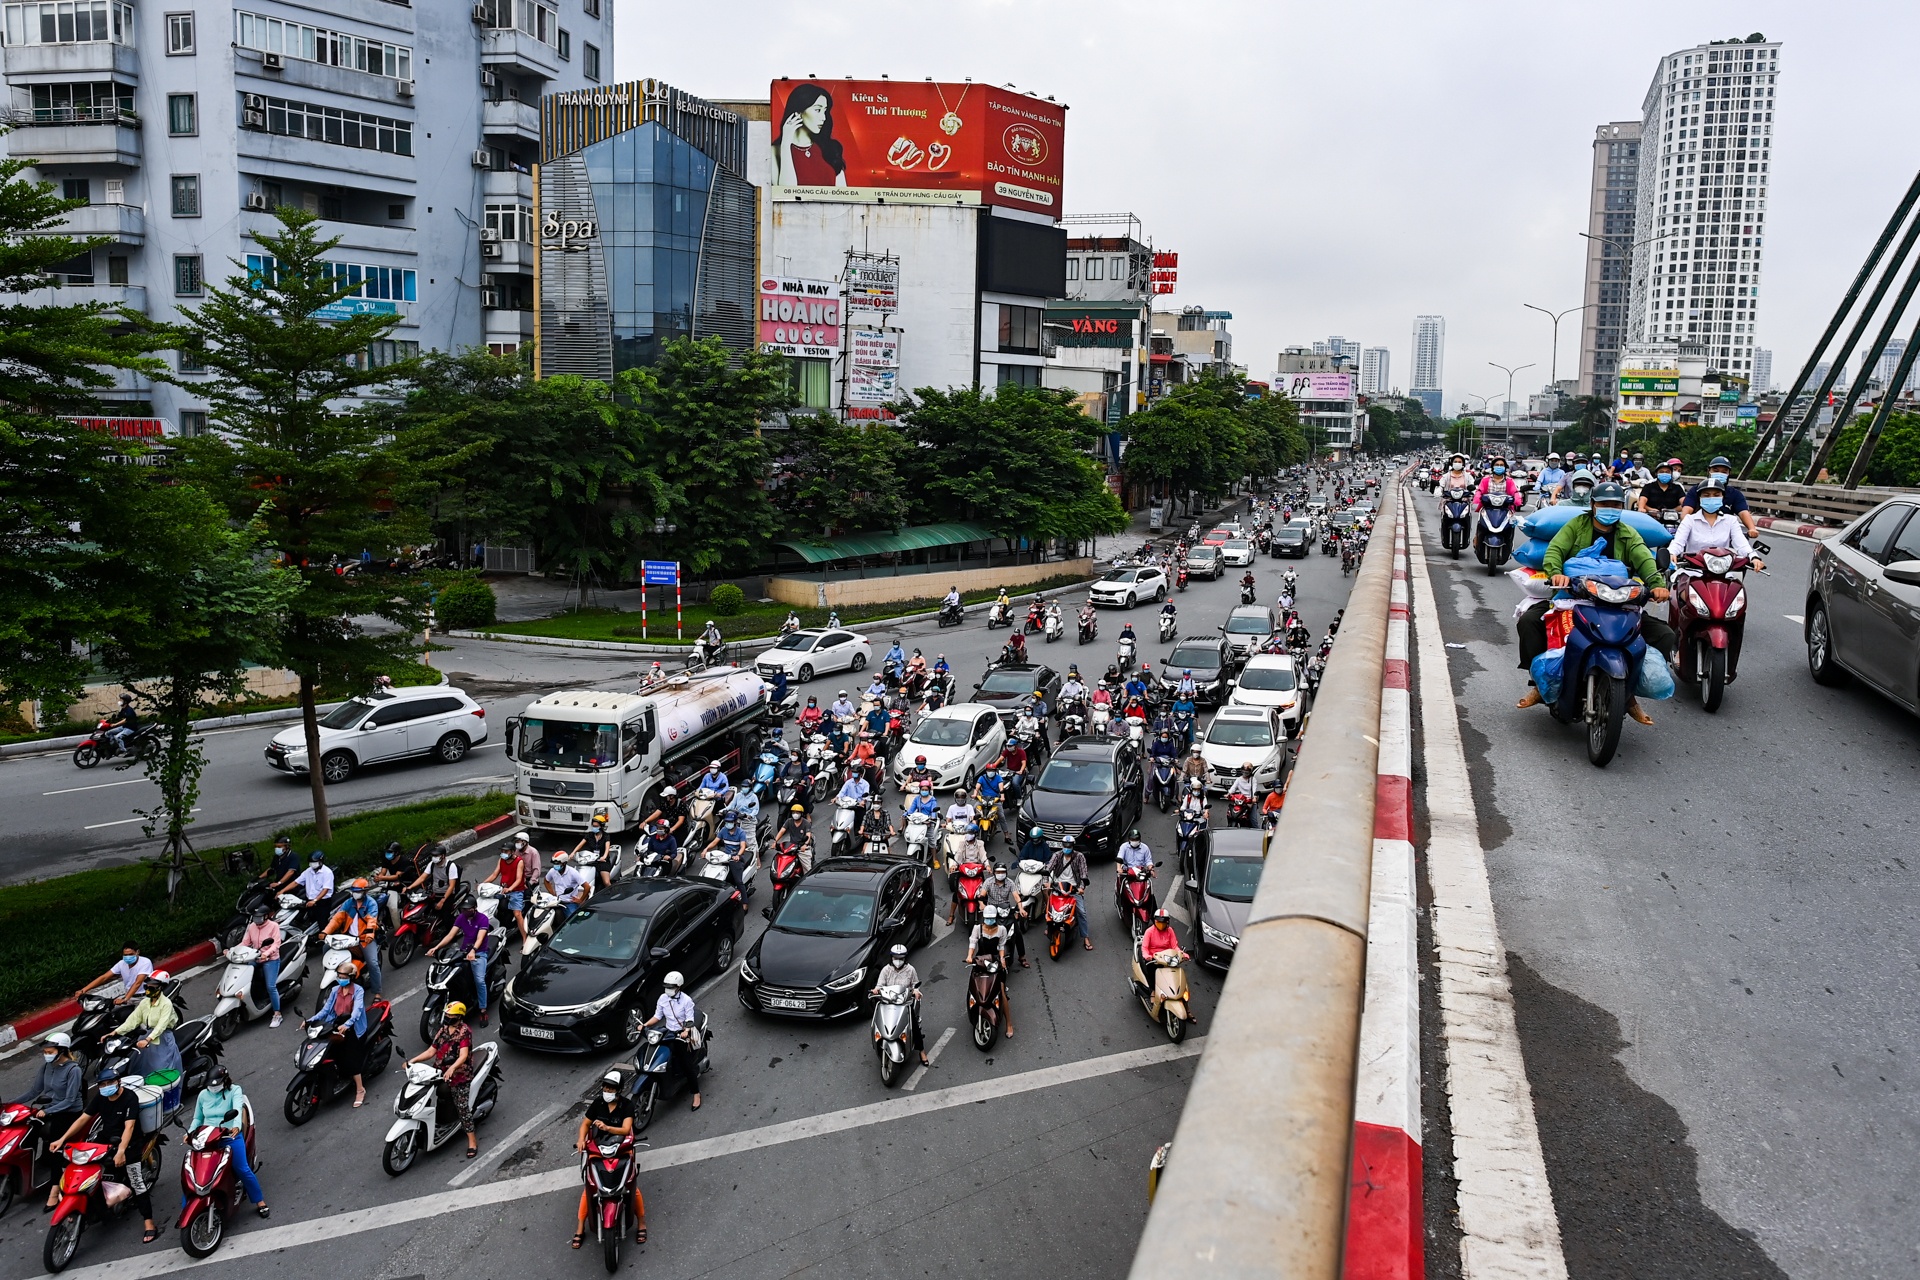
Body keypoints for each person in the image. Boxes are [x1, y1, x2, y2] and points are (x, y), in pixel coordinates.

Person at [1515, 481, 1674, 725]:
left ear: (1622, 507)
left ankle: (1629, 694)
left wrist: (1657, 585)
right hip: (1574, 596)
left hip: (1619, 601)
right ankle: (1540, 682)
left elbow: (1645, 560)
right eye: (1604, 504)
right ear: (1593, 505)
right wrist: (1557, 572)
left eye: (1615, 505)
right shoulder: (1576, 525)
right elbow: (1555, 550)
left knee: (1664, 634)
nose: (1610, 509)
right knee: (1529, 622)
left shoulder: (1628, 533)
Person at [48, 1074, 158, 1243]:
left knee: (136, 1182)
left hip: (128, 1143)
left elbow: (129, 1127)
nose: (106, 1086)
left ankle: (149, 1222)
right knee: (76, 1165)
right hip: (105, 1139)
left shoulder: (130, 1097)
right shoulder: (101, 1097)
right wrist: (62, 1139)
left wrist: (121, 1151)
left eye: (110, 1083)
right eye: (102, 1084)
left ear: (118, 1082)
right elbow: (83, 1119)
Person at [573, 1070, 647, 1249]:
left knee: (631, 1186)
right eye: (606, 1087)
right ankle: (580, 1228)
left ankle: (642, 1223)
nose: (608, 1090)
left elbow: (625, 1129)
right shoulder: (598, 1103)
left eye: (611, 1088)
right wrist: (581, 1140)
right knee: (589, 1188)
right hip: (598, 1149)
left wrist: (607, 1127)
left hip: (621, 1149)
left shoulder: (627, 1106)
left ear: (619, 1090)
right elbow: (585, 1124)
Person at [189, 1065, 269, 1215]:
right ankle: (187, 1206)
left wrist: (236, 1127)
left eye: (217, 1085)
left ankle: (259, 1201)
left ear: (224, 1081)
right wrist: (190, 1132)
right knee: (193, 1171)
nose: (213, 1088)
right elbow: (197, 1118)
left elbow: (237, 1110)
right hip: (207, 1138)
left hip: (228, 1135)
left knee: (243, 1169)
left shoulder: (235, 1090)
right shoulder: (203, 1095)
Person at [407, 1002, 479, 1158]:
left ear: (459, 1017)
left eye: (451, 1016)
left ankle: (472, 1141)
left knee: (462, 1108)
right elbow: (431, 1051)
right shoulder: (443, 1030)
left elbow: (463, 1055)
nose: (447, 1018)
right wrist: (413, 1060)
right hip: (440, 1071)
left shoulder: (464, 1032)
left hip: (460, 1075)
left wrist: (453, 1068)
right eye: (446, 1016)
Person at [307, 960, 370, 1107]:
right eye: (339, 976)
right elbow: (325, 1010)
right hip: (336, 1023)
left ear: (351, 977)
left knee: (350, 1055)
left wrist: (347, 1025)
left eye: (343, 976)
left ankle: (360, 1089)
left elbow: (357, 1012)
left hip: (353, 1026)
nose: (340, 979)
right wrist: (311, 1020)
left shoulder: (358, 991)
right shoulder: (335, 990)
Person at [14, 1032, 85, 1159]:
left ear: (61, 1051)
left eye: (50, 1052)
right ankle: (34, 1161)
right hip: (51, 1107)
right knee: (30, 1130)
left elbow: (69, 1100)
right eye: (45, 1052)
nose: (46, 1055)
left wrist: (47, 1111)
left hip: (69, 1111)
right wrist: (11, 1104)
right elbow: (34, 1091)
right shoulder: (46, 1067)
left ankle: (56, 1173)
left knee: (54, 1134)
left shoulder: (74, 1070)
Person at [1669, 479, 1764, 567]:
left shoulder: (1731, 520)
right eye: (1706, 495)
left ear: (1722, 497)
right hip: (1693, 569)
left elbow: (1741, 543)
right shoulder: (1689, 520)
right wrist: (1671, 553)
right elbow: (1678, 542)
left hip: (1723, 570)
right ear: (1700, 498)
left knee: (1737, 584)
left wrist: (1753, 557)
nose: (1711, 498)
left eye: (1716, 495)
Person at [431, 892, 494, 1025]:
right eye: (463, 909)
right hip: (463, 951)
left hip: (479, 953)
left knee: (479, 980)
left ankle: (482, 1010)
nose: (464, 912)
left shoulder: (483, 919)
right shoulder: (461, 918)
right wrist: (436, 947)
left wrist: (473, 951)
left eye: (467, 909)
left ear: (474, 908)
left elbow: (480, 938)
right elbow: (450, 935)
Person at [642, 973, 702, 1111]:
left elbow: (689, 1019)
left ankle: (696, 1094)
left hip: (681, 1034)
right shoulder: (663, 998)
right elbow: (657, 1016)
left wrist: (686, 1030)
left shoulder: (686, 1000)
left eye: (671, 987)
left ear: (678, 987)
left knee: (687, 1065)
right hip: (667, 1033)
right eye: (666, 986)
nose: (668, 989)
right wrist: (644, 1025)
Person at [774, 82, 848, 188]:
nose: (823, 117)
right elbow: (786, 192)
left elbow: (843, 194)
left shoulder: (831, 149)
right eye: (817, 110)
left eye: (825, 111)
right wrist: (785, 143)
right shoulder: (775, 151)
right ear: (798, 112)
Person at [869, 944, 932, 1062]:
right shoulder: (886, 970)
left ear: (905, 958)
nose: (898, 961)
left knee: (914, 1028)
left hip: (904, 1004)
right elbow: (880, 985)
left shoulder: (910, 970)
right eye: (895, 958)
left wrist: (916, 991)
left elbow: (915, 984)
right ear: (891, 958)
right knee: (878, 1022)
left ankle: (922, 1051)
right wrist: (876, 990)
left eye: (901, 958)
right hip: (888, 1002)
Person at [321, 877, 384, 996]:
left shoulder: (371, 903)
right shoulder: (349, 903)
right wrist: (325, 932)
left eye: (358, 891)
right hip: (348, 937)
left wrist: (369, 935)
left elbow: (372, 920)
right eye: (354, 891)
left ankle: (377, 992)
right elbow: (336, 919)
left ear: (365, 892)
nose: (356, 894)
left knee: (373, 963)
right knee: (326, 948)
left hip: (364, 938)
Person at [114, 972, 181, 1077]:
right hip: (146, 1036)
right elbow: (133, 1020)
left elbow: (161, 1025)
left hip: (162, 1038)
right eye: (147, 986)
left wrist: (147, 1039)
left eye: (153, 987)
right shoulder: (145, 1002)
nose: (148, 989)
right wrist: (115, 1032)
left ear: (161, 988)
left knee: (161, 1069)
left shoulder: (166, 1004)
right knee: (138, 1066)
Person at [965, 906, 1016, 1038]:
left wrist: (1002, 960)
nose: (989, 921)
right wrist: (970, 956)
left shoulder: (1001, 930)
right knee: (973, 987)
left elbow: (1001, 946)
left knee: (1002, 992)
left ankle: (1009, 1024)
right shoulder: (977, 929)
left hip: (995, 963)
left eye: (992, 919)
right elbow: (972, 943)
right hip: (980, 962)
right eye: (987, 919)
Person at [1681, 456, 1761, 540]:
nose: (1719, 474)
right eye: (1706, 495)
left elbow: (1743, 512)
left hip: (1725, 536)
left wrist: (1752, 528)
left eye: (1716, 495)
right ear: (1709, 471)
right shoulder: (1696, 490)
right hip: (1698, 533)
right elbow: (1686, 510)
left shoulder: (1735, 494)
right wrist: (1685, 527)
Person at [240, 904, 286, 1027]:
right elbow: (245, 943)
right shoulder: (252, 927)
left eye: (259, 917)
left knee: (271, 986)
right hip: (256, 957)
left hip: (271, 959)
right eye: (255, 917)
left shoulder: (273, 926)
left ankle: (277, 1014)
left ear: (266, 916)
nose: (256, 919)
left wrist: (266, 954)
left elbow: (276, 944)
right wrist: (232, 950)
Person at [1045, 837, 1093, 951]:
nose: (1066, 848)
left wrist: (1082, 888)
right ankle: (1049, 927)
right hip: (1058, 886)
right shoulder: (1057, 855)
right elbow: (1049, 868)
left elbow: (1083, 873)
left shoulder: (1079, 857)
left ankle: (1085, 937)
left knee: (1081, 912)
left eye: (1069, 846)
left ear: (1072, 846)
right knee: (1049, 907)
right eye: (1065, 846)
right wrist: (1047, 882)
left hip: (1073, 888)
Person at [482, 843, 530, 948]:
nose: (503, 853)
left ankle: (525, 939)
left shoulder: (519, 862)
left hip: (516, 891)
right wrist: (483, 884)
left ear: (512, 851)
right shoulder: (501, 860)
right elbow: (494, 874)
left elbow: (518, 879)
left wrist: (510, 888)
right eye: (502, 851)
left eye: (506, 851)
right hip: (502, 890)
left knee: (517, 914)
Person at [982, 864, 1029, 968]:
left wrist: (1021, 908)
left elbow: (1016, 897)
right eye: (998, 872)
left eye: (1002, 872)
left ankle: (1022, 957)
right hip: (992, 912)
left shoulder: (1010, 883)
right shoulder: (988, 882)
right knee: (983, 934)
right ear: (994, 872)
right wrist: (982, 905)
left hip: (1006, 911)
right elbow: (982, 895)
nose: (1000, 874)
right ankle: (982, 957)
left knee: (1017, 933)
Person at [78, 941, 153, 1004]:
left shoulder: (145, 962)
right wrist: (83, 990)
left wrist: (125, 999)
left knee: (134, 1019)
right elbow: (104, 977)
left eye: (130, 954)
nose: (128, 957)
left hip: (143, 998)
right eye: (125, 955)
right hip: (129, 997)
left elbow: (138, 982)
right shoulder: (121, 963)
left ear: (137, 952)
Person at [1137, 907, 1188, 989]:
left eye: (1163, 922)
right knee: (1152, 974)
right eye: (1158, 922)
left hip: (1168, 958)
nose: (1161, 924)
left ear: (1167, 922)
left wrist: (1182, 954)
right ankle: (1153, 990)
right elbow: (1145, 948)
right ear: (1154, 921)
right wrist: (1147, 956)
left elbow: (1174, 946)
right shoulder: (1149, 932)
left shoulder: (1170, 931)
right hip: (1154, 960)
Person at [406, 844, 462, 918]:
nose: (434, 858)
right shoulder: (432, 864)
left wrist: (442, 901)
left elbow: (451, 886)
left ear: (443, 856)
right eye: (433, 856)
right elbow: (422, 877)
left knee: (446, 916)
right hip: (435, 892)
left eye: (436, 856)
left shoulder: (451, 867)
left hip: (447, 895)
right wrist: (410, 887)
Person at [543, 850, 588, 924]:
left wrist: (580, 900)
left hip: (569, 903)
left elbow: (587, 887)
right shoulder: (552, 871)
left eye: (557, 863)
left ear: (564, 863)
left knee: (574, 922)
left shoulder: (573, 873)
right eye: (554, 863)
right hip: (556, 901)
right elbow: (546, 881)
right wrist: (553, 894)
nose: (555, 865)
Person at [295, 850, 335, 919]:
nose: (313, 864)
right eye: (311, 862)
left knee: (322, 923)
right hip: (309, 900)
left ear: (321, 861)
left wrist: (315, 900)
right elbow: (296, 882)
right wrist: (282, 891)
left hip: (322, 902)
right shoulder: (308, 871)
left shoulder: (327, 872)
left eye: (315, 862)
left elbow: (325, 889)